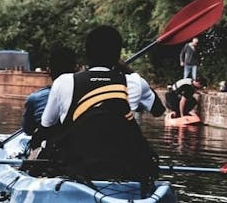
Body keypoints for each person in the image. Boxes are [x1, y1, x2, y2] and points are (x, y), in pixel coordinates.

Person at [37, 26, 164, 187]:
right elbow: (158, 110)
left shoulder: (64, 81)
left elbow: (46, 127)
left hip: (76, 167)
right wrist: (128, 70)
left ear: (87, 54)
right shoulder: (134, 81)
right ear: (118, 55)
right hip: (124, 168)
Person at [21, 46, 77, 136]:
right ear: (76, 69)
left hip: (50, 144)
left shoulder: (35, 98)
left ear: (49, 70)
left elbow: (28, 129)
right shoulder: (87, 93)